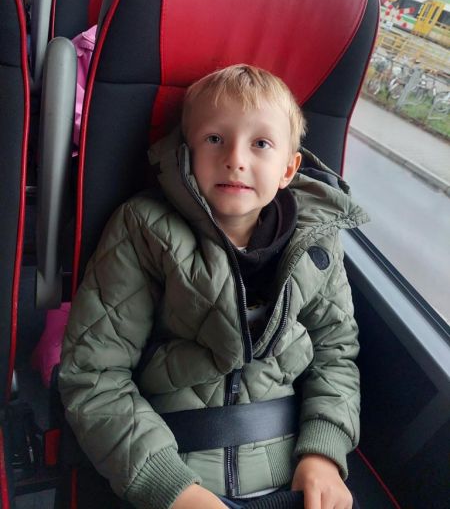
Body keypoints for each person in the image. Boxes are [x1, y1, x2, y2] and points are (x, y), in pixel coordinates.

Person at [59, 65, 367, 509]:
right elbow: (94, 373)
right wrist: (171, 487)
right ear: (186, 154)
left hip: (291, 471)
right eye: (215, 139)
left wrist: (323, 452)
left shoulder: (316, 242)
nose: (235, 159)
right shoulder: (144, 229)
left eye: (261, 144)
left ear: (288, 168)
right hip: (170, 466)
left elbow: (335, 353)